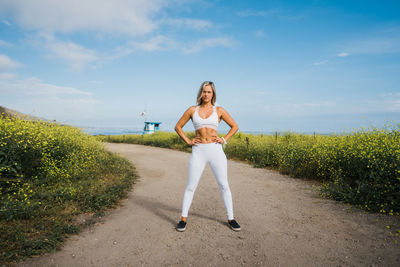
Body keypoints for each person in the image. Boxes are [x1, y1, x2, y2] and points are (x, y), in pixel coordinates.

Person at [174, 81, 241, 232]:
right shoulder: (192, 110)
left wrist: (224, 140)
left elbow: (235, 126)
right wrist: (188, 141)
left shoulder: (219, 110)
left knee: (224, 185)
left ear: (213, 94)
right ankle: (183, 219)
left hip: (216, 150)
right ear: (200, 93)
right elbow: (178, 127)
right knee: (191, 186)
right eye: (204, 91)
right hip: (198, 151)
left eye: (209, 92)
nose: (206, 94)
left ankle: (231, 218)